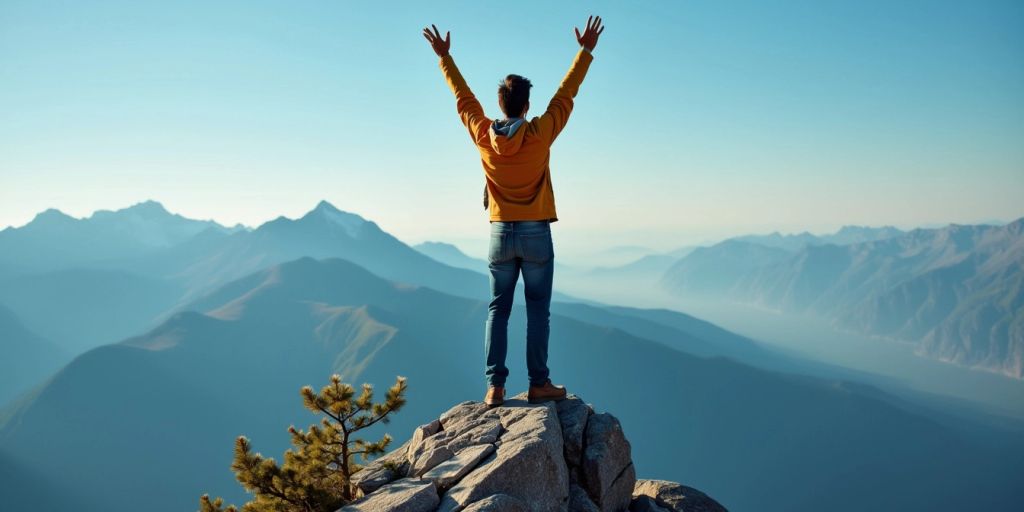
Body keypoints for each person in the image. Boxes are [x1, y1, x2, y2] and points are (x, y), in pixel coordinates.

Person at [423, 16, 605, 407]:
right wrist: (585, 52)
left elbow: (463, 99)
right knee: (538, 311)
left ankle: (495, 386)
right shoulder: (539, 134)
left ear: (501, 105)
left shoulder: (483, 136)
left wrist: (444, 59)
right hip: (537, 233)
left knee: (498, 310)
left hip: (500, 234)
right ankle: (539, 382)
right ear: (526, 106)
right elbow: (565, 95)